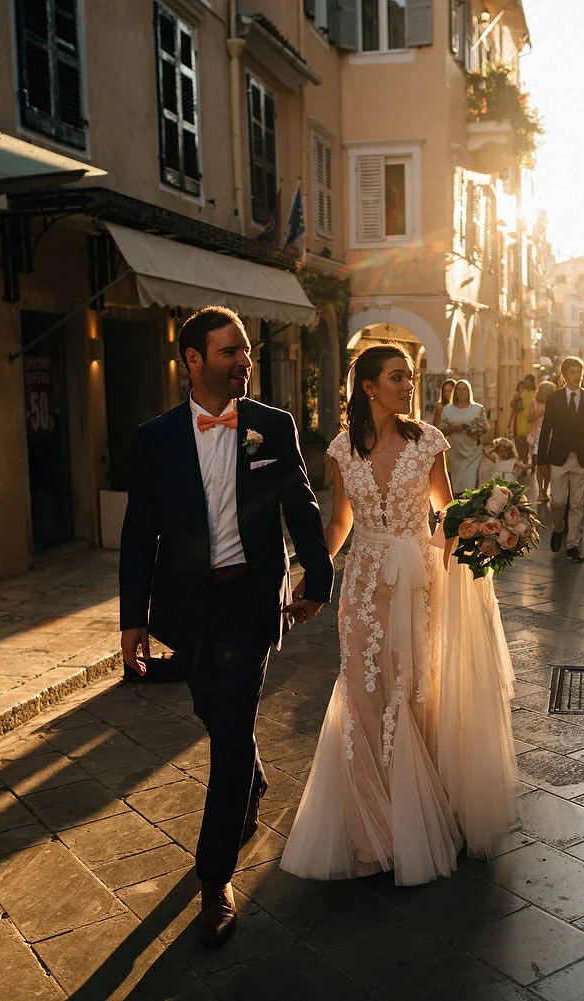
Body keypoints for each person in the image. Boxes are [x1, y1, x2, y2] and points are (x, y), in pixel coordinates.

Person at [119, 306, 332, 949]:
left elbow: (301, 504)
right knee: (216, 712)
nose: (244, 361)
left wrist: (316, 578)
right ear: (192, 360)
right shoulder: (155, 438)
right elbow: (138, 534)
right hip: (188, 609)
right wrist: (132, 620)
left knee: (229, 731)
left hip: (249, 601)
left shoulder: (272, 425)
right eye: (229, 352)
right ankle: (253, 775)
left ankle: (215, 881)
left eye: (245, 352)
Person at [282, 344, 517, 886]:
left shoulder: (429, 441)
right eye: (397, 377)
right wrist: (310, 574)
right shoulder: (341, 449)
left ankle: (424, 818)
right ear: (368, 387)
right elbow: (340, 521)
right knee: (364, 695)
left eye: (410, 377)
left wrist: (484, 532)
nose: (408, 385)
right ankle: (373, 832)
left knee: (417, 693)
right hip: (364, 585)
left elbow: (445, 514)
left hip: (420, 583)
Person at [537, 356, 584, 564]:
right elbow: (546, 429)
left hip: (582, 458)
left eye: (579, 372)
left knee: (577, 504)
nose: (577, 376)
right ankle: (558, 528)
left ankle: (573, 544)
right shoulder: (554, 399)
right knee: (558, 501)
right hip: (558, 457)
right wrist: (542, 460)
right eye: (572, 372)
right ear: (564, 376)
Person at [440, 380, 487, 489]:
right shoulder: (448, 409)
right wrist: (454, 428)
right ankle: (459, 504)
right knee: (457, 484)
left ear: (469, 391)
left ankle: (471, 503)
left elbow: (484, 427)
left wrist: (475, 430)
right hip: (455, 451)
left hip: (473, 451)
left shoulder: (477, 408)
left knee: (471, 481)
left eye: (464, 389)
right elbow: (441, 429)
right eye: (459, 389)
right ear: (455, 392)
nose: (461, 392)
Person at [528, 380, 555, 503]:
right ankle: (540, 491)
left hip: (551, 435)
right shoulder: (535, 402)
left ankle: (545, 490)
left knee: (548, 465)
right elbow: (529, 419)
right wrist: (538, 413)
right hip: (537, 435)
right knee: (539, 464)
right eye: (547, 392)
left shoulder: (556, 403)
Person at [509, 375, 537, 464]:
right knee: (523, 442)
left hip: (533, 421)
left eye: (529, 383)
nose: (527, 385)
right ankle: (525, 463)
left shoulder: (536, 393)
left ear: (533, 383)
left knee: (533, 443)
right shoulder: (521, 392)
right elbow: (512, 404)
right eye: (526, 383)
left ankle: (533, 462)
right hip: (522, 420)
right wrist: (516, 405)